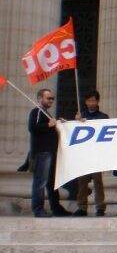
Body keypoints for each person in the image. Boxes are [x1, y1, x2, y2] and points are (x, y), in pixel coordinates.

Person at [28, 89, 70, 218]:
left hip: (49, 153)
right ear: (40, 98)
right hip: (42, 153)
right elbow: (33, 128)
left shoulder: (45, 114)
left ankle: (56, 208)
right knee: (40, 182)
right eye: (48, 98)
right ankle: (38, 209)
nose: (51, 100)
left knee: (52, 182)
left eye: (52, 98)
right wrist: (49, 125)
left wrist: (58, 124)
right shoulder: (37, 112)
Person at [73, 90, 109, 216]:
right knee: (82, 182)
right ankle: (82, 207)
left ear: (97, 101)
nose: (91, 103)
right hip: (84, 155)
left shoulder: (103, 117)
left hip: (97, 154)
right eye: (88, 101)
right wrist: (76, 122)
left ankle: (100, 207)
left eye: (93, 100)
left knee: (97, 181)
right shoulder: (81, 116)